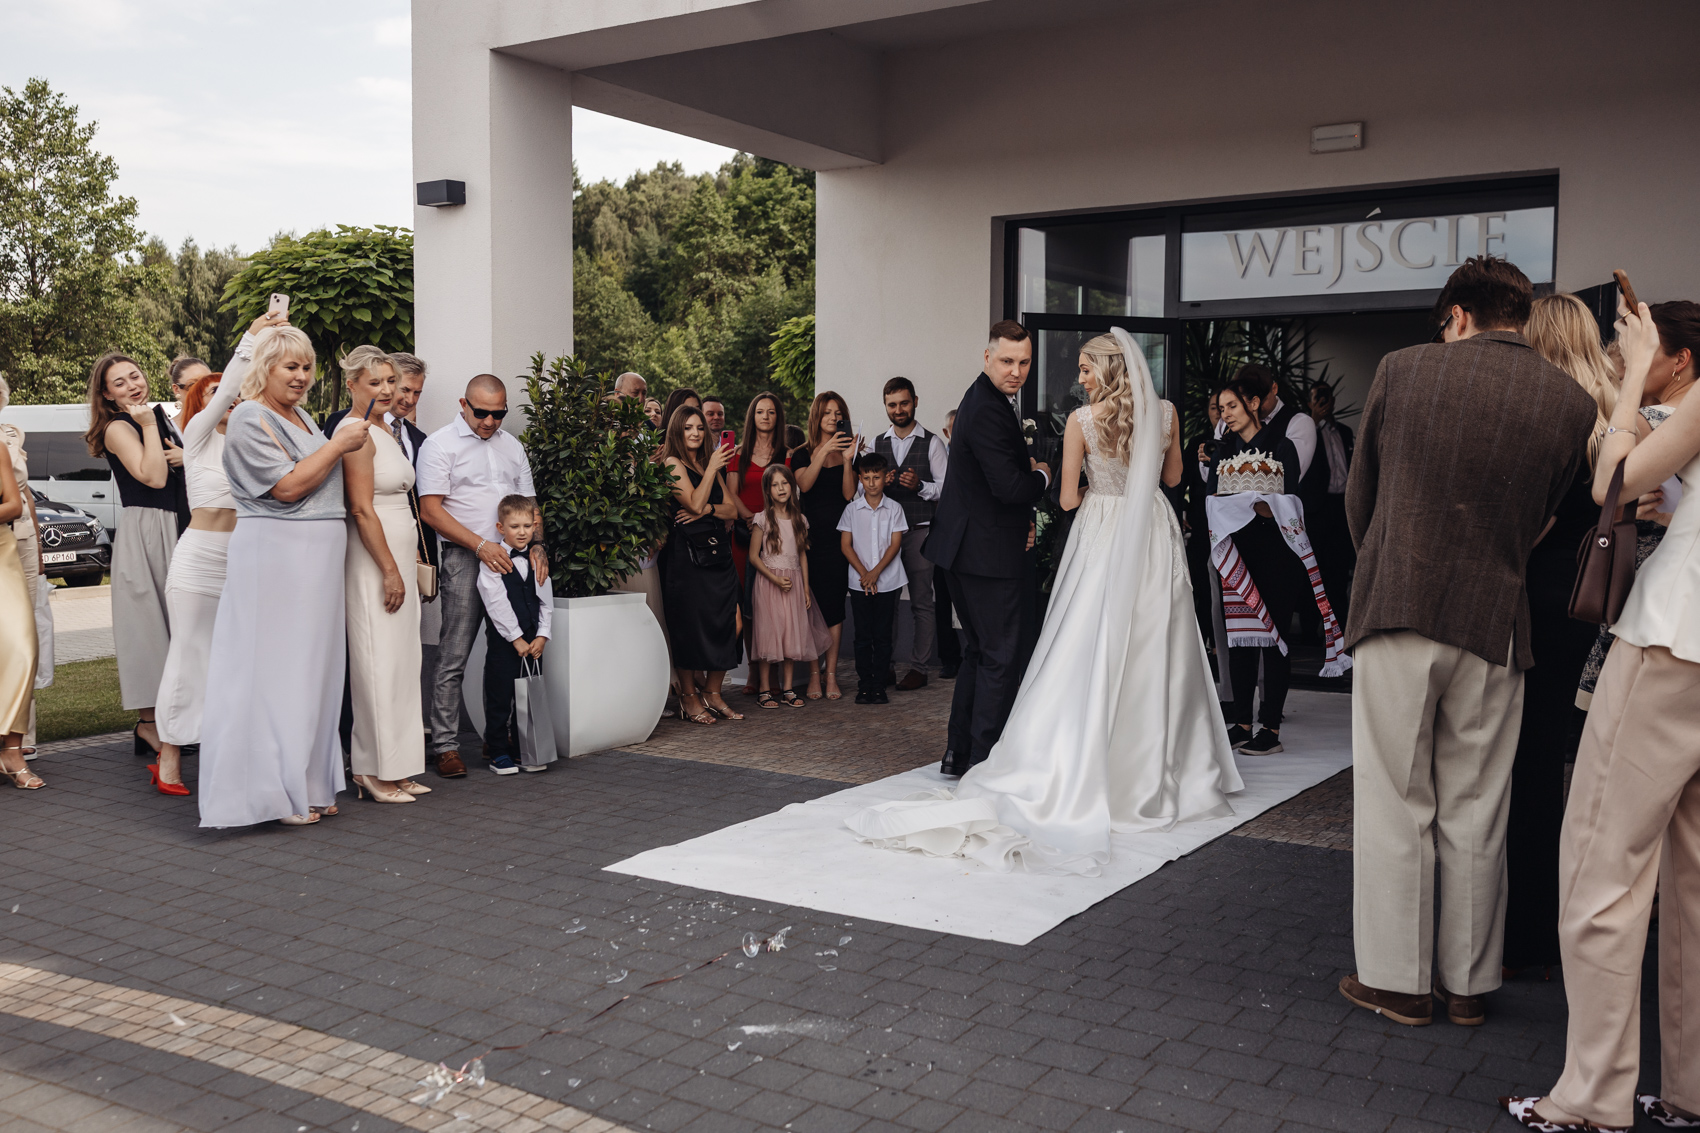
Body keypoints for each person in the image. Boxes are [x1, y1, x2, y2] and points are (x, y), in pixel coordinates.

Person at [847, 329, 1241, 873]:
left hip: (1101, 533)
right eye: (1010, 361)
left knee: (1078, 640)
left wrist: (1056, 477)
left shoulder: (1081, 421)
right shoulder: (1167, 413)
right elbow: (1172, 478)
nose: (1074, 377)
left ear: (1106, 370)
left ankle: (980, 754)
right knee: (1156, 638)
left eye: (1084, 368)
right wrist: (1057, 475)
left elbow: (1068, 499)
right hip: (1152, 532)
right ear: (989, 357)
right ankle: (1157, 761)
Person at [1339, 257, 1596, 1029]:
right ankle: (1469, 985)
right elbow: (1546, 516)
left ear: (1456, 315)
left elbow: (1362, 496)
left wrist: (1385, 559)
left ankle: (1399, 982)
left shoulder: (1403, 369)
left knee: (1396, 798)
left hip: (1401, 602)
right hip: (1496, 620)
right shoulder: (1571, 403)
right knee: (1479, 804)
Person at [197, 325, 372, 827]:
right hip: (277, 553)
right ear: (265, 368)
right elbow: (287, 488)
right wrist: (337, 446)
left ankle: (309, 782)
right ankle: (272, 792)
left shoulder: (302, 417)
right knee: (276, 672)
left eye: (307, 367)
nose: (301, 376)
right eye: (290, 366)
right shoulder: (249, 417)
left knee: (314, 672)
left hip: (316, 558)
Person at [1500, 293, 1619, 974]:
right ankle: (1548, 923)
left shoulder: (1551, 417)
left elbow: (1529, 523)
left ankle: (1525, 936)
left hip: (1538, 602)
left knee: (1528, 769)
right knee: (1556, 763)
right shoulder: (1611, 416)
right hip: (1586, 603)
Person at [155, 322, 277, 796]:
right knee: (188, 655)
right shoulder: (196, 436)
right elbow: (229, 387)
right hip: (198, 559)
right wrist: (251, 338)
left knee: (239, 659)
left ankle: (231, 751)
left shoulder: (251, 444)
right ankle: (169, 754)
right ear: (199, 404)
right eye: (214, 394)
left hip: (243, 561)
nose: (229, 398)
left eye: (235, 395)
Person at [925, 321, 1051, 776]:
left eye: (1024, 362)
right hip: (986, 556)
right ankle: (984, 762)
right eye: (1007, 361)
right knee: (1000, 656)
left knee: (980, 652)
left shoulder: (984, 399)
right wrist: (1042, 475)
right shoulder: (987, 408)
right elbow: (1010, 487)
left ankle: (959, 754)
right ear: (987, 357)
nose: (1016, 371)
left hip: (967, 549)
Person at [418, 375, 545, 779]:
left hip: (513, 559)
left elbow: (531, 506)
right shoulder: (439, 444)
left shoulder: (512, 446)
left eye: (498, 413)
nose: (490, 421)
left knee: (506, 654)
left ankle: (497, 738)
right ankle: (445, 746)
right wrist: (480, 546)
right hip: (465, 557)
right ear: (464, 404)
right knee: (454, 653)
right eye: (481, 412)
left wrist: (538, 546)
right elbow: (430, 510)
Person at [1576, 298, 1700, 709]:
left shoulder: (1653, 419)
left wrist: (1630, 385)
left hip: (1653, 594)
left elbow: (1605, 488)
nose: (1630, 362)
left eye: (1647, 350)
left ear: (1680, 359)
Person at [85, 353, 189, 760]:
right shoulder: (118, 427)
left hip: (179, 523)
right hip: (147, 528)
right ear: (107, 394)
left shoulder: (160, 417)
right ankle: (149, 725)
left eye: (135, 376)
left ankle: (175, 720)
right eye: (120, 382)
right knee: (146, 626)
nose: (132, 385)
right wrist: (146, 424)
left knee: (178, 627)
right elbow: (154, 476)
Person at [338, 346, 429, 802]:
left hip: (398, 555)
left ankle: (400, 765)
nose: (388, 390)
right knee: (378, 662)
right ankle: (372, 769)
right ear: (352, 385)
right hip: (375, 560)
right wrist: (391, 571)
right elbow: (360, 508)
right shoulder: (354, 432)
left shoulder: (384, 429)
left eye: (391, 381)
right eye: (375, 382)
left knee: (403, 663)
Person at [1209, 376, 1305, 755]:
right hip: (1236, 554)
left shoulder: (1281, 447)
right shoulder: (1223, 452)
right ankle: (1242, 723)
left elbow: (1290, 501)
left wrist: (1257, 504)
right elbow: (1212, 501)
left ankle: (1271, 727)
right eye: (1221, 409)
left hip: (1277, 554)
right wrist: (1249, 501)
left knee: (1274, 640)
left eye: (1232, 406)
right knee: (1240, 641)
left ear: (1252, 403)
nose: (1226, 415)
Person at [659, 405, 743, 724]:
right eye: (688, 428)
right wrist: (708, 483)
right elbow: (691, 502)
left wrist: (708, 509)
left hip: (718, 555)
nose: (695, 433)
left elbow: (731, 510)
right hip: (687, 556)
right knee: (689, 627)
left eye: (699, 428)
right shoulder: (672, 463)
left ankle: (712, 692)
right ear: (677, 432)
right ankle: (689, 698)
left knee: (732, 622)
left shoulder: (709, 463)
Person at [874, 377, 949, 691]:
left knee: (921, 602)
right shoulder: (876, 443)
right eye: (892, 405)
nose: (898, 410)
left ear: (915, 401)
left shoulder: (932, 443)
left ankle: (919, 668)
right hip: (885, 535)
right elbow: (865, 490)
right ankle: (886, 666)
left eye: (904, 403)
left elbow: (946, 489)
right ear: (885, 406)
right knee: (886, 603)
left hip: (919, 532)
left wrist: (920, 486)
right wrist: (881, 483)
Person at [477, 495, 555, 773]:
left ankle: (526, 749)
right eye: (514, 527)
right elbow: (495, 602)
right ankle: (498, 751)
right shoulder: (493, 561)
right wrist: (515, 638)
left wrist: (542, 635)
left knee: (529, 697)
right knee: (500, 697)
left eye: (527, 526)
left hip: (533, 643)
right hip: (505, 643)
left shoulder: (536, 559)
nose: (522, 532)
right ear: (501, 527)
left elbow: (546, 600)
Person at [789, 393, 858, 699]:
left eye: (838, 413)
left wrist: (847, 460)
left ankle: (831, 675)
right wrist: (824, 450)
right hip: (809, 540)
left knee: (834, 607)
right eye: (828, 412)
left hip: (838, 540)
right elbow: (804, 485)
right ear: (817, 416)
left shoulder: (847, 451)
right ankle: (814, 674)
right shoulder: (801, 454)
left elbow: (848, 495)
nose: (833, 417)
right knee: (810, 605)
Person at [749, 464, 829, 709]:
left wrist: (804, 588)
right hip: (769, 582)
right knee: (769, 635)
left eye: (785, 483)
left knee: (790, 635)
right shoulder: (762, 519)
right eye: (775, 485)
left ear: (792, 487)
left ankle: (788, 689)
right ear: (768, 490)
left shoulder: (799, 519)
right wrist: (774, 579)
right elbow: (753, 557)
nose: (781, 488)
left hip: (793, 583)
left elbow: (802, 555)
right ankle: (764, 690)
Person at [728, 392, 787, 692]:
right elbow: (731, 492)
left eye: (771, 412)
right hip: (746, 536)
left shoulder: (787, 454)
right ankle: (753, 671)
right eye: (760, 411)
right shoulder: (737, 454)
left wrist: (770, 522)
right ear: (752, 416)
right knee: (750, 605)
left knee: (774, 606)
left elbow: (791, 493)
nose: (765, 416)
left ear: (778, 417)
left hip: (778, 537)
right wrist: (752, 518)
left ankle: (773, 672)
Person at [839, 452, 908, 704]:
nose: (871, 483)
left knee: (882, 636)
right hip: (860, 584)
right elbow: (846, 545)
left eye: (876, 477)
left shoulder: (895, 509)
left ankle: (879, 686)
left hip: (887, 582)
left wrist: (875, 573)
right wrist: (864, 574)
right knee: (862, 636)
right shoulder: (851, 510)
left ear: (884, 477)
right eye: (866, 477)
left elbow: (895, 545)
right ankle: (864, 685)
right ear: (860, 478)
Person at [0, 375, 45, 758]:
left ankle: (22, 735)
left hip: (23, 541)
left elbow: (24, 493)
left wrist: (41, 553)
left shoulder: (12, 435)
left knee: (24, 638)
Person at [1302, 384, 1355, 627]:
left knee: (1340, 567)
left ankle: (1341, 625)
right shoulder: (1307, 431)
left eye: (1326, 396)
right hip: (1316, 508)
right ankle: (1311, 628)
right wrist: (1313, 422)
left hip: (1341, 506)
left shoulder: (1344, 431)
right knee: (1314, 569)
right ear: (1310, 403)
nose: (1323, 401)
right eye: (1317, 397)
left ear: (1333, 400)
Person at [168, 356, 211, 425]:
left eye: (208, 384)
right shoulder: (165, 429)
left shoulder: (223, 426)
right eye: (193, 385)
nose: (203, 391)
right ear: (176, 389)